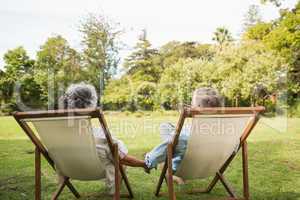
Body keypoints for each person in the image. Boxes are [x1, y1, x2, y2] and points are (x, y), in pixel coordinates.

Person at [59, 83, 147, 195]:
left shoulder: (55, 133)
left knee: (112, 155)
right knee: (118, 159)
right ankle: (114, 190)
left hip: (68, 169)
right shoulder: (101, 137)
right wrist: (144, 164)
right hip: (95, 170)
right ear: (91, 105)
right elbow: (123, 159)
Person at [144, 87, 223, 182]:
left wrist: (150, 160)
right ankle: (170, 159)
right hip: (209, 165)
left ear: (197, 106)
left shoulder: (184, 138)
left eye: (192, 102)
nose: (190, 104)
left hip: (185, 166)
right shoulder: (224, 133)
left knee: (174, 140)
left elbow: (174, 142)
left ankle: (168, 163)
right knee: (165, 126)